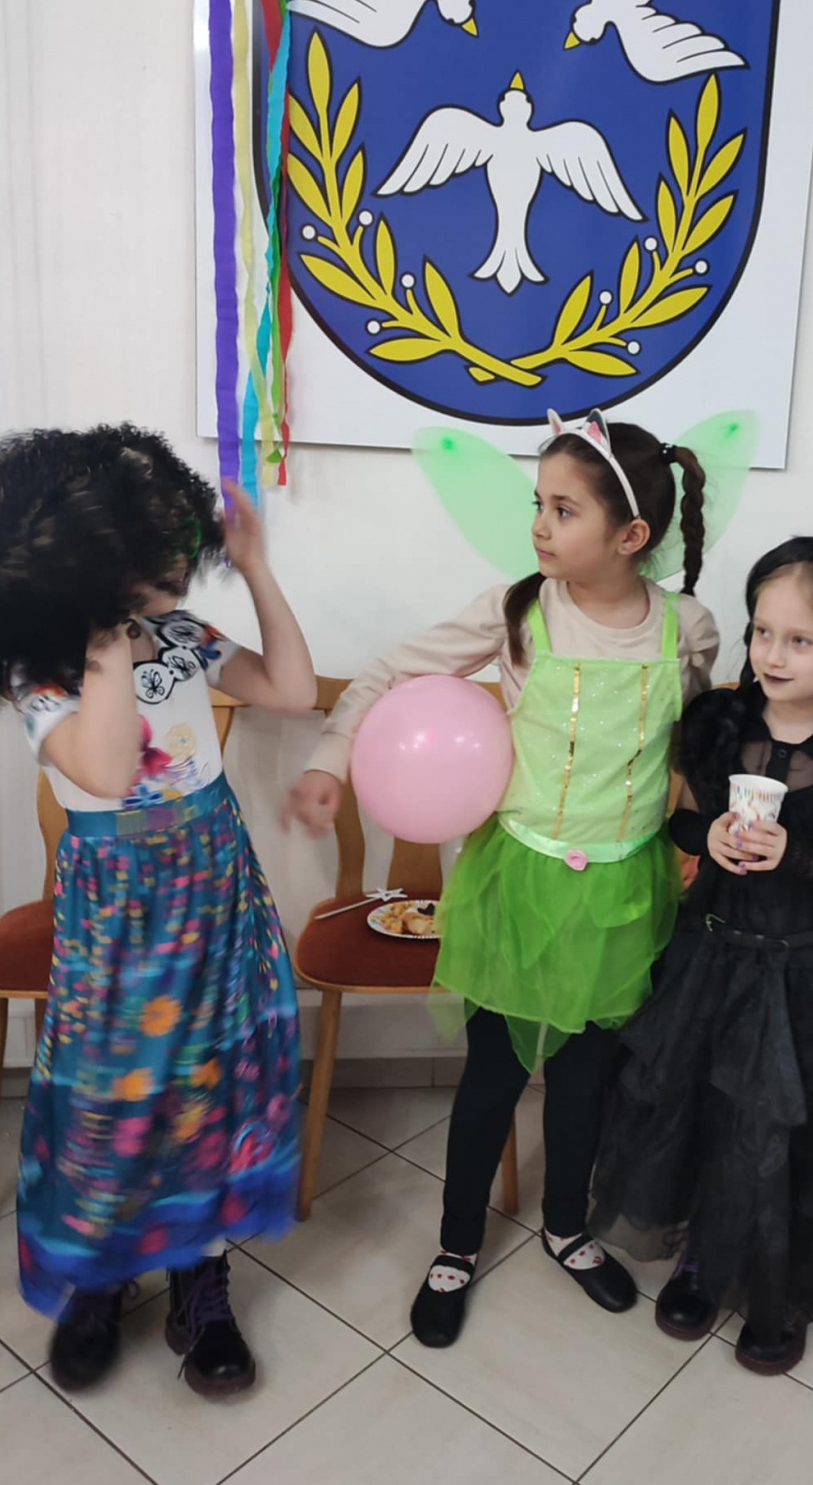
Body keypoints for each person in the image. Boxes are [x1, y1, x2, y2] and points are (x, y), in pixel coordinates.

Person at [284, 410, 718, 1347]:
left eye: (563, 510)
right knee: (493, 1072)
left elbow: (693, 745)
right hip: (518, 880)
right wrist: (329, 759)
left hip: (622, 890)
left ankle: (567, 1228)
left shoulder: (688, 628)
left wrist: (693, 829)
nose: (539, 526)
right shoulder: (519, 609)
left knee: (585, 1076)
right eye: (538, 503)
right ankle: (455, 1245)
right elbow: (391, 673)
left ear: (631, 535)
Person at [0, 424, 316, 1395]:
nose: (181, 565)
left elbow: (291, 688)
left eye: (179, 543)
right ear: (93, 562)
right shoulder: (39, 669)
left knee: (206, 1085)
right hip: (119, 911)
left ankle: (201, 1278)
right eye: (155, 551)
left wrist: (256, 569)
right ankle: (101, 1275)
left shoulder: (181, 636)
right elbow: (107, 771)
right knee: (110, 1099)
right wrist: (103, 623)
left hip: (215, 883)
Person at [590, 537, 813, 1375]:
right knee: (704, 1113)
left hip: (810, 973)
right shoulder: (718, 727)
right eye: (762, 632)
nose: (772, 655)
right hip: (711, 957)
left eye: (800, 639)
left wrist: (799, 858)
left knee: (785, 1132)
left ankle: (779, 1289)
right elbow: (680, 820)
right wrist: (704, 834)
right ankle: (702, 1260)